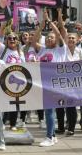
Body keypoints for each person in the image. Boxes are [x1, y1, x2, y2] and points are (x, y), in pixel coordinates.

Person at [32, 10, 67, 147]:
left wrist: (49, 21)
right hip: (43, 83)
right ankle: (52, 135)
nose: (48, 39)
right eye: (47, 38)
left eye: (51, 38)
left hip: (55, 83)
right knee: (48, 110)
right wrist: (42, 24)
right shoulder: (43, 50)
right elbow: (34, 40)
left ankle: (49, 137)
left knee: (49, 110)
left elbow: (59, 34)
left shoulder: (60, 50)